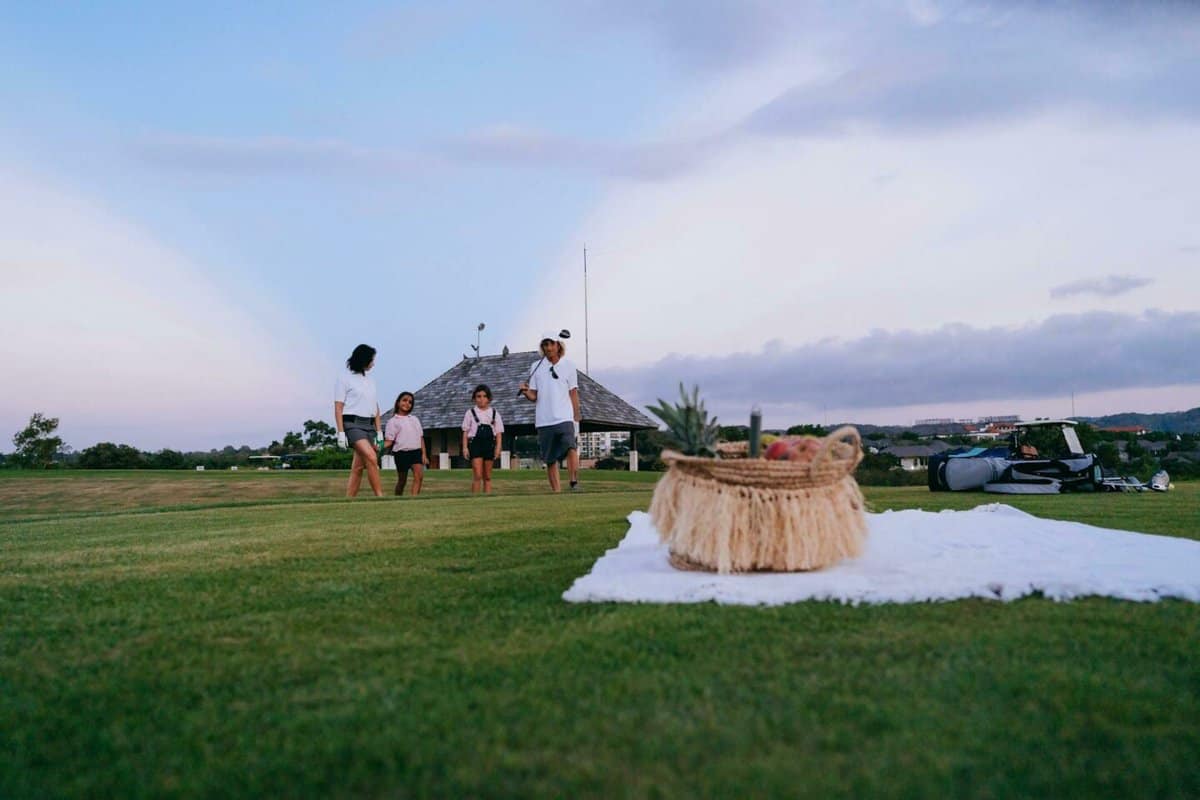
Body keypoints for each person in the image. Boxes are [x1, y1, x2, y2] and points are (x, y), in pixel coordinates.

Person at [518, 330, 581, 492]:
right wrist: (525, 391)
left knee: (571, 448)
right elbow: (534, 396)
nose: (548, 347)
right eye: (545, 344)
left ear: (558, 345)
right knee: (550, 458)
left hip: (565, 417)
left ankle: (574, 482)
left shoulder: (569, 366)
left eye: (551, 344)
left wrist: (576, 414)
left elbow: (573, 392)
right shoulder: (535, 367)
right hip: (544, 420)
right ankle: (557, 492)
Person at [334, 343, 383, 497]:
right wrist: (341, 432)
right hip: (352, 425)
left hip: (369, 426)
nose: (373, 363)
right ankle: (380, 496)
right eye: (371, 360)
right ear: (363, 360)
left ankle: (348, 500)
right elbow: (338, 407)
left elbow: (375, 406)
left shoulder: (371, 380)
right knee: (371, 457)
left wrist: (379, 431)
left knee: (357, 468)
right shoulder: (344, 379)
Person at [384, 391, 428, 496]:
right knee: (402, 480)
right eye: (404, 400)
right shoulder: (393, 421)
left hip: (416, 452)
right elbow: (389, 441)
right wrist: (377, 446)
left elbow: (420, 438)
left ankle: (414, 499)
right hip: (401, 453)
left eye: (410, 402)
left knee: (419, 476)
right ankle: (397, 498)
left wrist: (424, 454)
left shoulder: (415, 419)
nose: (407, 403)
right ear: (398, 402)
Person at [461, 384, 504, 494]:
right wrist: (465, 448)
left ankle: (487, 498)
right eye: (478, 396)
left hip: (489, 444)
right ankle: (474, 499)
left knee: (488, 476)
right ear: (474, 398)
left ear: (489, 398)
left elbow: (498, 433)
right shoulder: (470, 413)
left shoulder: (494, 413)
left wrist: (498, 448)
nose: (481, 399)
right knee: (478, 475)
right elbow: (465, 432)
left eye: (484, 396)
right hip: (475, 444)